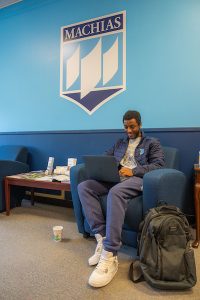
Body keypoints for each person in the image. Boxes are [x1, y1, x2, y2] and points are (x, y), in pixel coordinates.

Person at [78, 110, 165, 288]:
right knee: (84, 187)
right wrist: (103, 167)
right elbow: (106, 157)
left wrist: (133, 171)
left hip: (136, 180)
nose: (128, 130)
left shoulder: (152, 143)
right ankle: (101, 238)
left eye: (132, 126)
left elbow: (159, 165)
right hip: (116, 178)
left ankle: (110, 253)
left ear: (139, 124)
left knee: (116, 192)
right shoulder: (120, 142)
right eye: (125, 127)